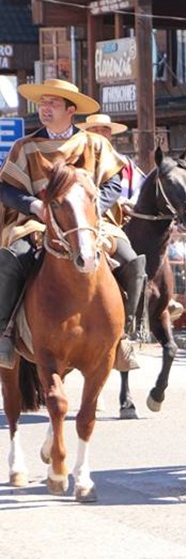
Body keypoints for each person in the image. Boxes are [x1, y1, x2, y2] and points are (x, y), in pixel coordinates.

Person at [0, 79, 145, 372]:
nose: (44, 109)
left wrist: (90, 213)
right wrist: (34, 205)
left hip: (90, 226)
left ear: (71, 109)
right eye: (42, 104)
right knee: (12, 258)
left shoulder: (95, 144)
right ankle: (4, 333)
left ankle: (126, 336)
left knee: (133, 262)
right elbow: (6, 188)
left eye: (52, 103)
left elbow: (113, 183)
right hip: (37, 224)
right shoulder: (25, 147)